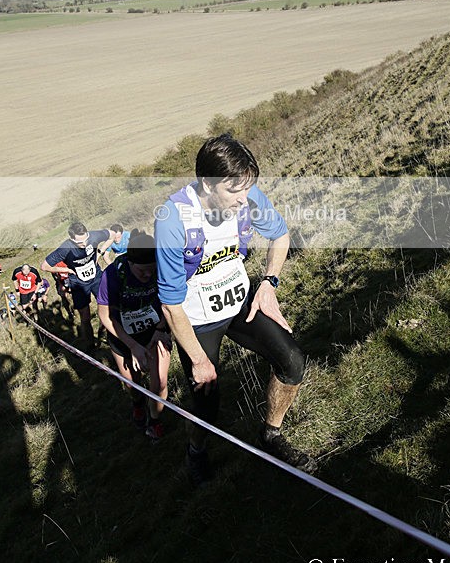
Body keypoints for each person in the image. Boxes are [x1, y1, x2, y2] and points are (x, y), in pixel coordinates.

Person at [154, 132, 315, 485]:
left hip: (241, 302)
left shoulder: (247, 195)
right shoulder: (172, 220)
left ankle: (271, 435)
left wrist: (269, 284)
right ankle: (196, 452)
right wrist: (199, 360)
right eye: (233, 191)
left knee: (292, 361)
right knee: (206, 403)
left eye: (247, 188)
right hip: (196, 320)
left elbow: (281, 235)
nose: (244, 199)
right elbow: (170, 303)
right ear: (207, 184)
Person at [97, 229, 172, 441]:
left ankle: (154, 421)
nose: (148, 276)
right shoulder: (113, 274)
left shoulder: (164, 266)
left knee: (160, 383)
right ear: (130, 262)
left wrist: (160, 329)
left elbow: (172, 301)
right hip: (122, 334)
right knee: (133, 384)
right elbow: (104, 315)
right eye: (142, 272)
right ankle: (138, 402)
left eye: (152, 270)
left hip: (155, 330)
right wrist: (133, 346)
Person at [41, 222, 116, 348]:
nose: (84, 244)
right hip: (79, 284)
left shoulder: (94, 236)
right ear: (72, 239)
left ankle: (106, 335)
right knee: (85, 317)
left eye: (86, 239)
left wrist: (100, 252)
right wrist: (67, 270)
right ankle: (90, 345)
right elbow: (45, 266)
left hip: (96, 277)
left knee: (108, 308)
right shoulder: (65, 248)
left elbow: (112, 234)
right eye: (80, 242)